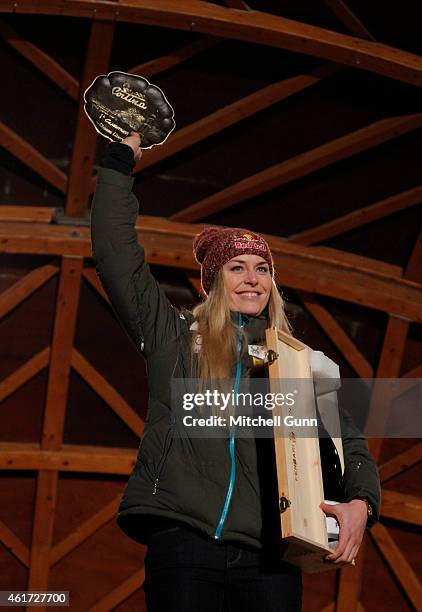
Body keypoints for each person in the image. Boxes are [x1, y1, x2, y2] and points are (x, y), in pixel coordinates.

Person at [91, 132, 381, 611]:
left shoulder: (297, 364)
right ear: (212, 284)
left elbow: (348, 443)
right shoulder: (175, 338)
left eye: (262, 268)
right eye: (237, 267)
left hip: (271, 556)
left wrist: (362, 504)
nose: (253, 278)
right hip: (184, 543)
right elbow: (116, 258)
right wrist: (119, 166)